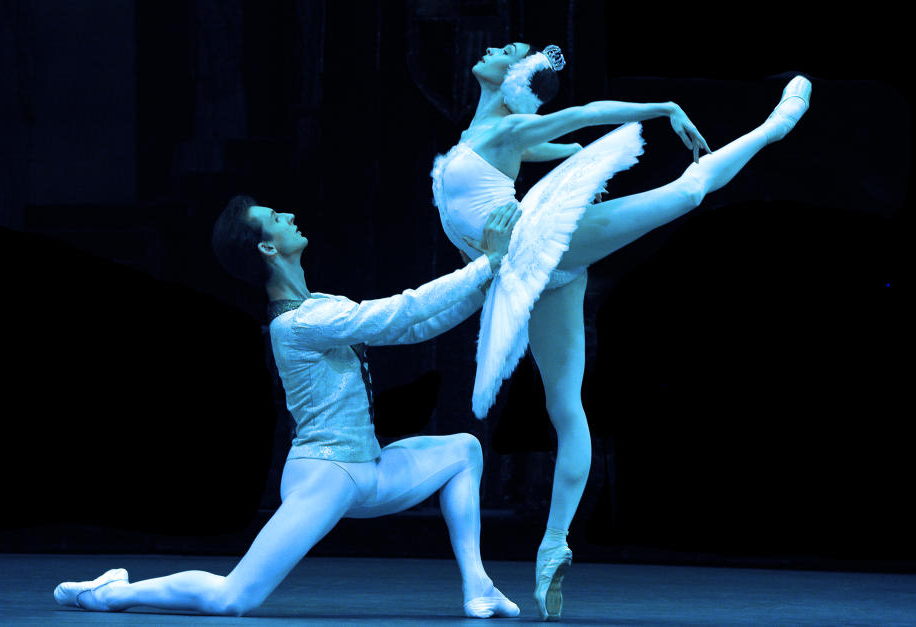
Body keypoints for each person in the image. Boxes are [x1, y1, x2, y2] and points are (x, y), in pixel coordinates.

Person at [431, 41, 811, 620]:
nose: (491, 46)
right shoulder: (497, 135)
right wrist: (576, 151)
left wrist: (662, 107)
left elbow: (583, 116)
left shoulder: (503, 133)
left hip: (542, 242)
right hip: (531, 271)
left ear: (515, 79)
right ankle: (554, 544)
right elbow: (567, 138)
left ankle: (774, 126)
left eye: (506, 49)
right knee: (566, 408)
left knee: (685, 192)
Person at [53, 198, 524, 618]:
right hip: (325, 474)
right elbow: (402, 310)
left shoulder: (321, 305)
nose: (290, 216)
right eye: (275, 218)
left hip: (369, 470)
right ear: (266, 249)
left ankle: (478, 587)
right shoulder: (299, 323)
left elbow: (413, 327)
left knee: (464, 450)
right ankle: (111, 594)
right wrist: (484, 265)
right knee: (232, 598)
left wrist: (486, 278)